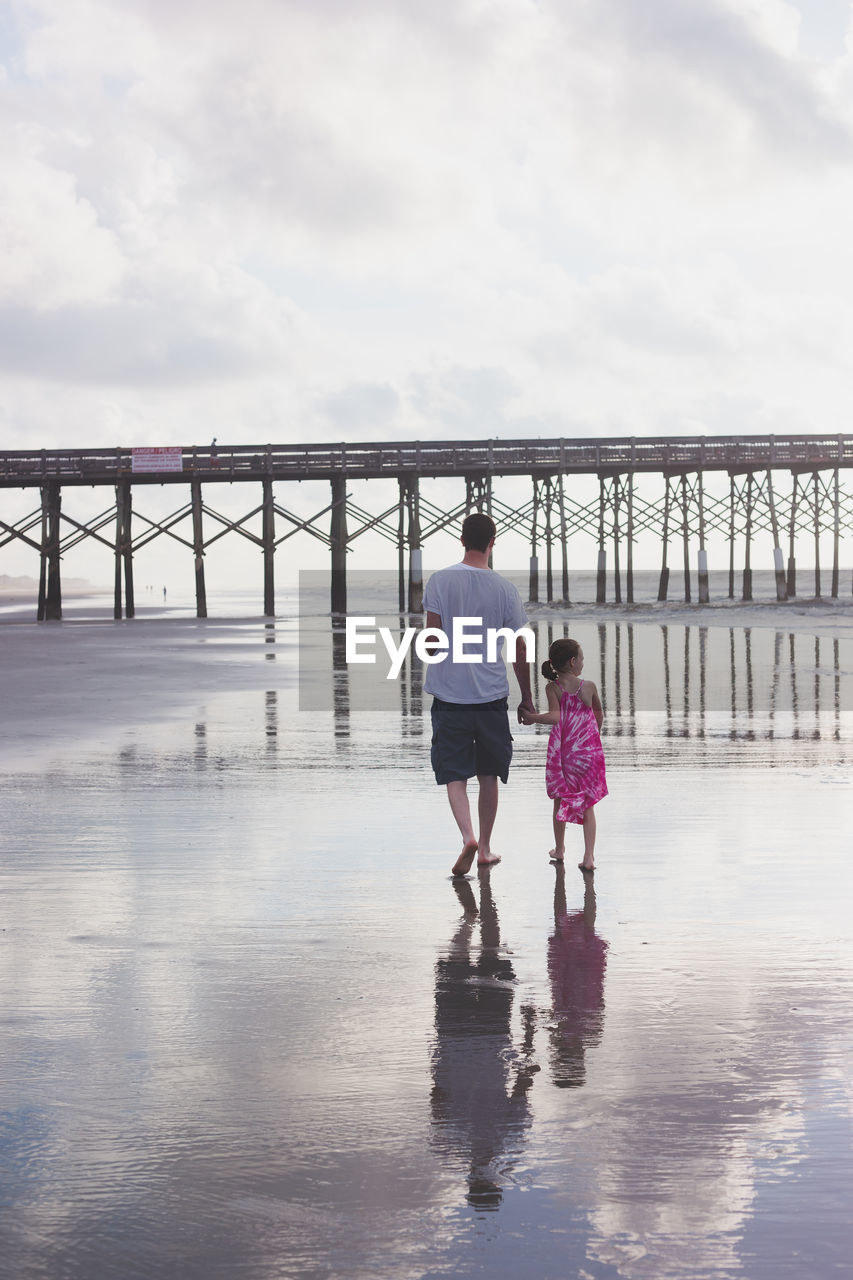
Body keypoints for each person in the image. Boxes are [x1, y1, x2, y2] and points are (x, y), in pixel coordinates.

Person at [423, 512, 535, 876]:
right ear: (492, 542)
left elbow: (432, 640)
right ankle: (484, 848)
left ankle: (468, 836)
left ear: (461, 540)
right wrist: (527, 696)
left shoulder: (439, 581)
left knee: (454, 772)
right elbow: (520, 648)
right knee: (489, 773)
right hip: (490, 696)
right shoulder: (505, 589)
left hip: (449, 695)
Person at [519, 637, 607, 872]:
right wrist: (592, 738)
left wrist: (532, 717)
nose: (582, 663)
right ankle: (589, 857)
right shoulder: (588, 686)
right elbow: (599, 714)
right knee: (588, 804)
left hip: (565, 754)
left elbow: (556, 717)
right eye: (581, 659)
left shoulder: (554, 688)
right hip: (589, 753)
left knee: (560, 798)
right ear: (572, 661)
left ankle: (560, 848)